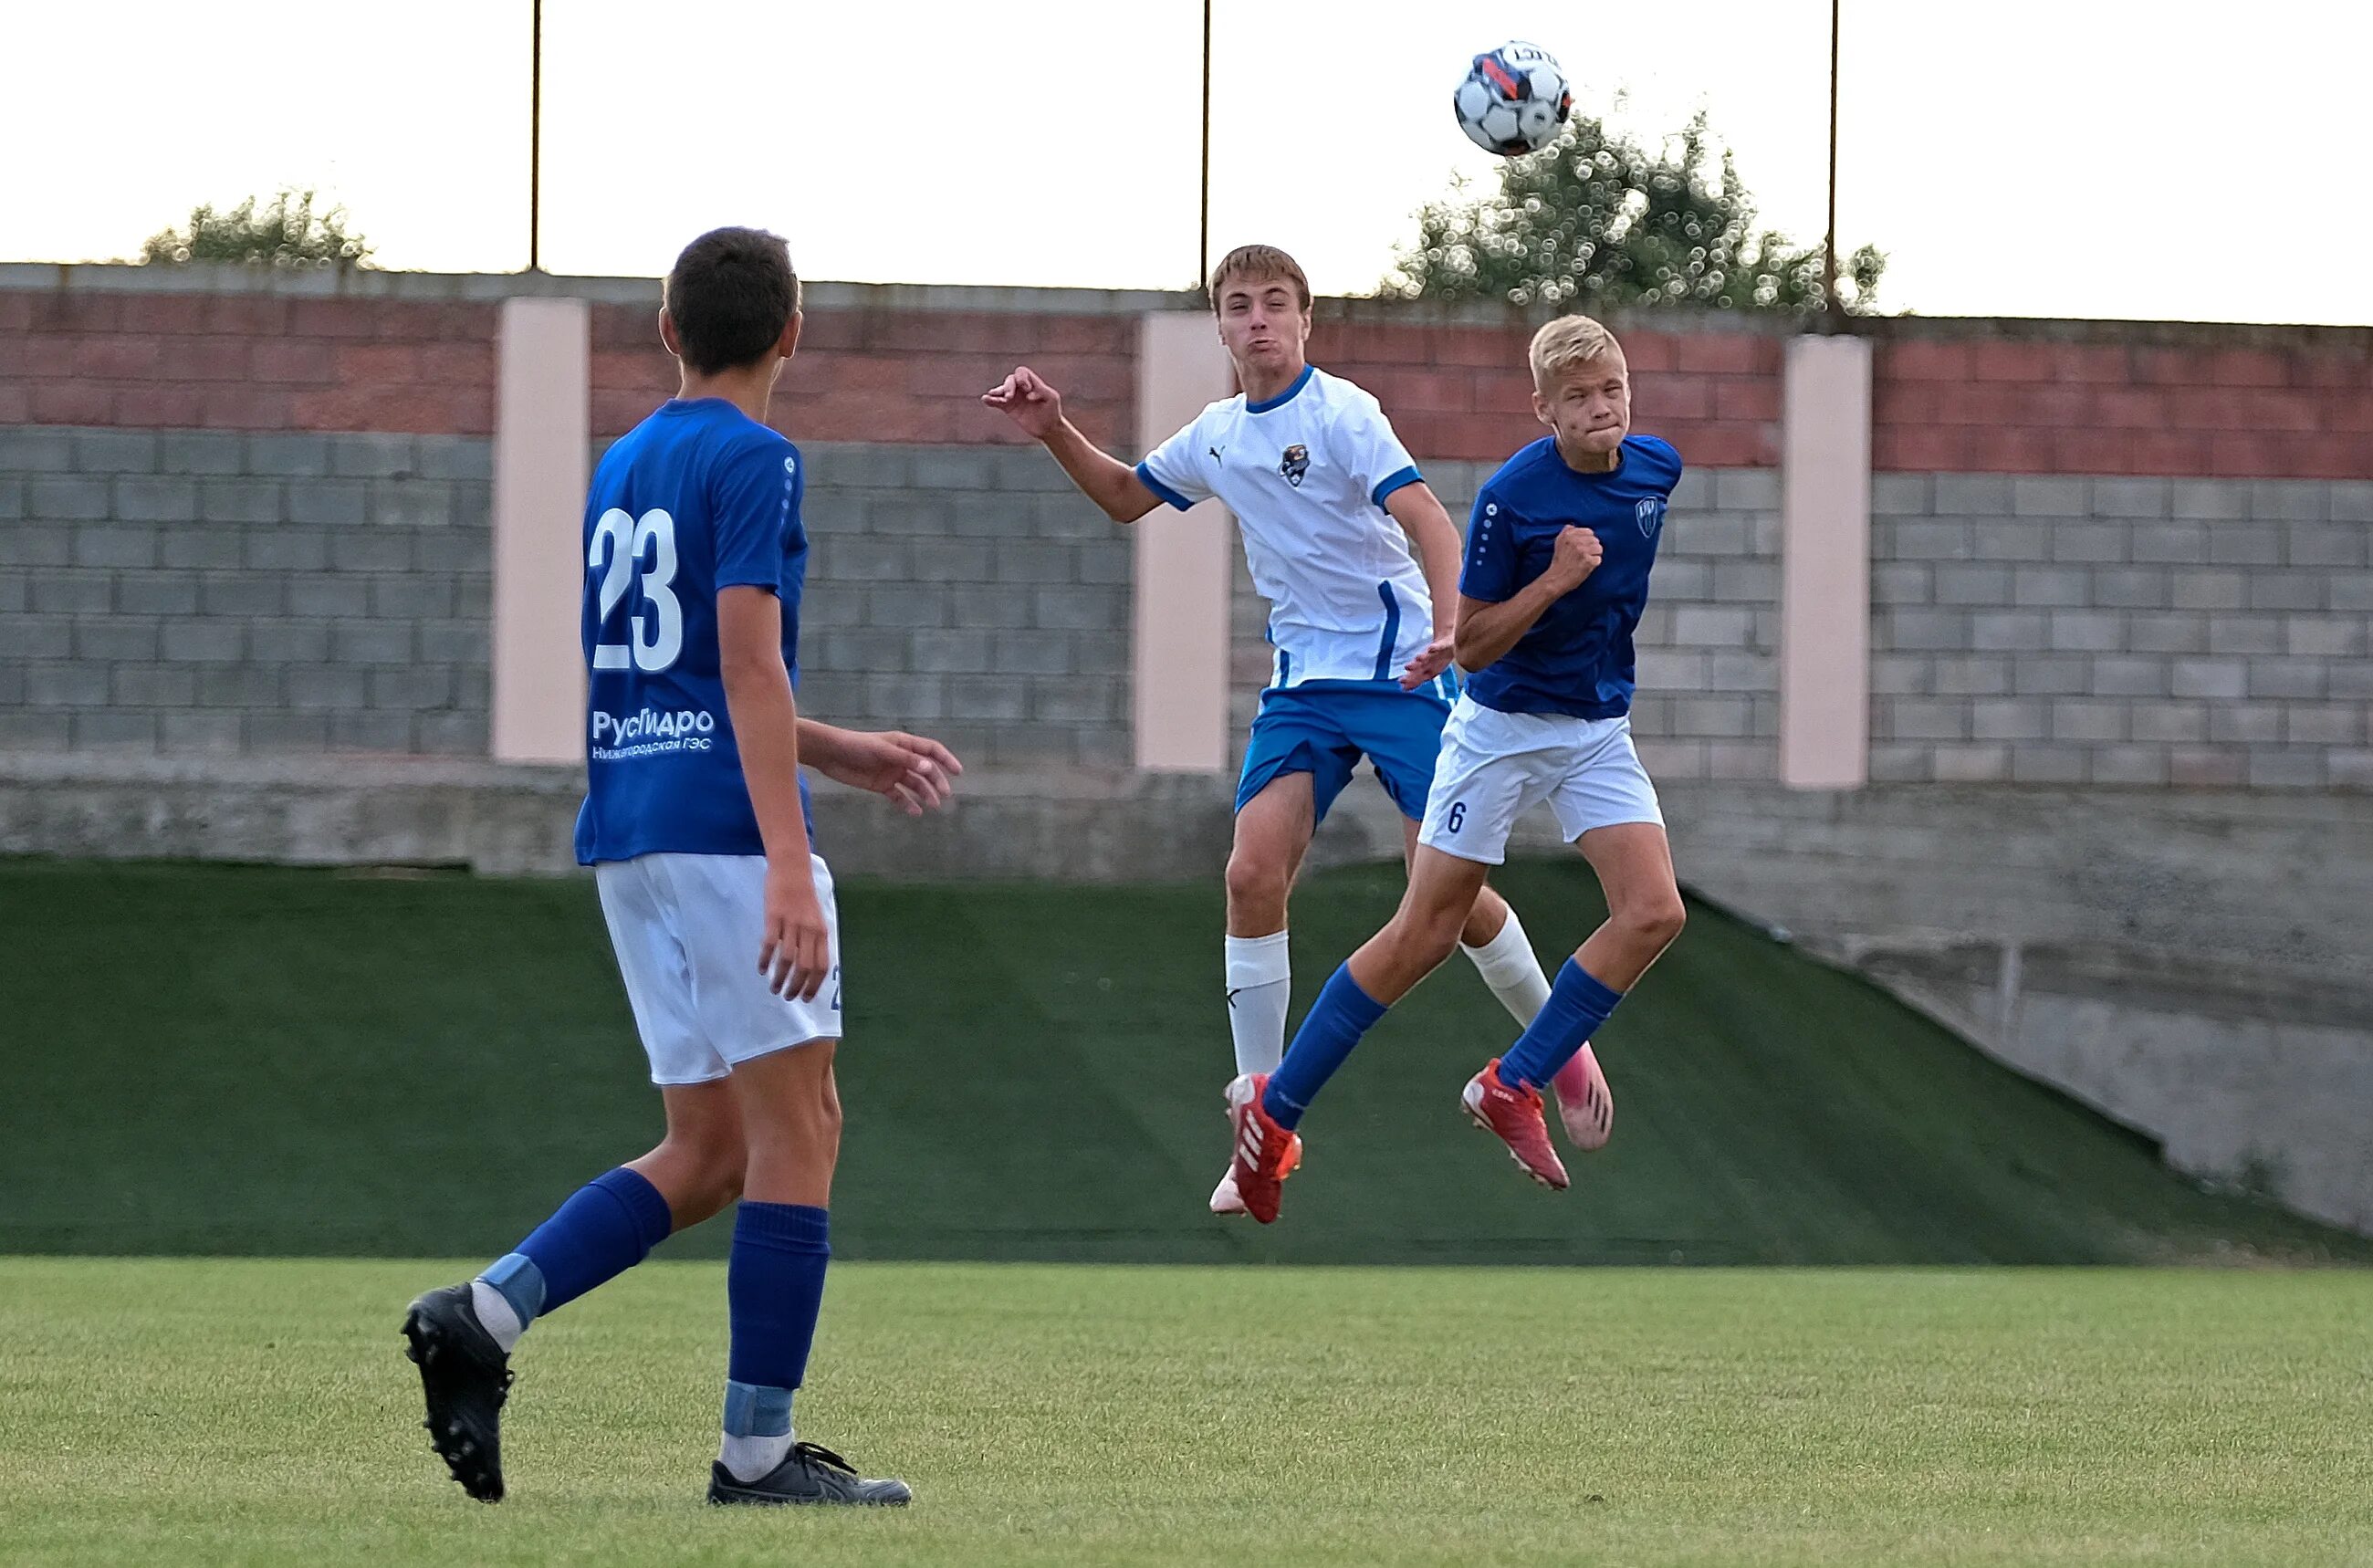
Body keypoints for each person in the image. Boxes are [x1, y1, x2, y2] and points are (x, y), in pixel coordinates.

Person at [402, 227, 958, 1505]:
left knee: (708, 1147)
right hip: (720, 833)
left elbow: (680, 677)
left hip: (632, 826)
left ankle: (481, 1316)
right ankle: (756, 1455)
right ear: (793, 332)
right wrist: (783, 856)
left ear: (667, 331)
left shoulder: (627, 458)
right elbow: (748, 667)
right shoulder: (757, 455)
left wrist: (841, 750)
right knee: (800, 1129)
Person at [983, 246, 1612, 1214]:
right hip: (1302, 689)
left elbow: (1430, 527)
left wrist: (1450, 627)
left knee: (1438, 892)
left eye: (1275, 303)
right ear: (1222, 329)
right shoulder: (1217, 434)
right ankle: (1261, 1123)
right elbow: (1122, 498)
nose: (1258, 320)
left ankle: (1555, 1046)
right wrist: (1055, 426)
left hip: (1401, 671)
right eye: (1238, 307)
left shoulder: (1343, 415)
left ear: (1305, 319)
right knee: (1247, 872)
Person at [1222, 314, 1688, 1224]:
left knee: (1653, 911)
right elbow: (1471, 645)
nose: (1601, 409)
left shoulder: (1655, 468)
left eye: (1612, 389)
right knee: (1423, 935)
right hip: (1499, 729)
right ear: (1542, 409)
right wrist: (1552, 581)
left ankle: (1512, 1083)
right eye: (1578, 397)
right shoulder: (1514, 498)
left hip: (1595, 729)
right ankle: (1271, 1120)